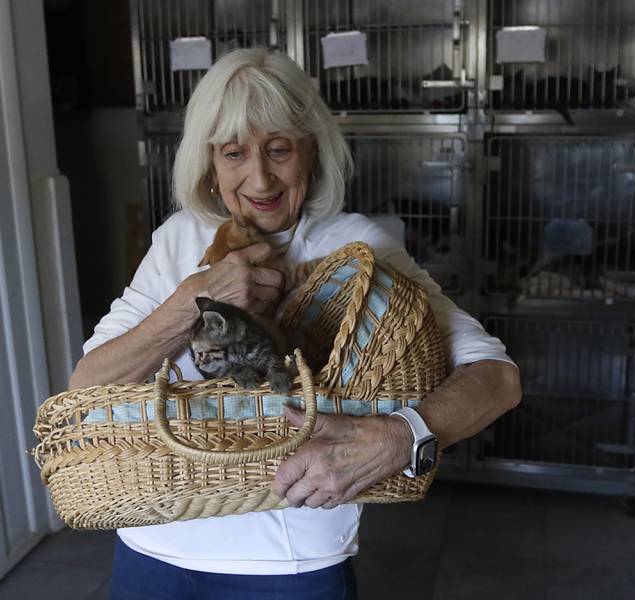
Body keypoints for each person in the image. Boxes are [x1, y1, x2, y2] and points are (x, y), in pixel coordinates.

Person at [69, 47, 521, 599]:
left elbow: (497, 378)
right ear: (209, 162)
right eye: (234, 153)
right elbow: (87, 387)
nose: (260, 177)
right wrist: (192, 301)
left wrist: (402, 437)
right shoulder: (180, 238)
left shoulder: (356, 249)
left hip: (289, 563)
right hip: (153, 542)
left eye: (279, 149)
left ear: (312, 153)